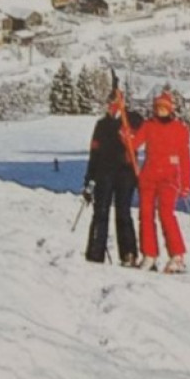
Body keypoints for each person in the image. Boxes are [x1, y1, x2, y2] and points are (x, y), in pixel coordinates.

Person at [131, 90, 190, 273]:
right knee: (145, 215)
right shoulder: (148, 126)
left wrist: (186, 183)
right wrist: (127, 137)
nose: (161, 111)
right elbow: (134, 144)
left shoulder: (180, 129)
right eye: (158, 107)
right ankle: (149, 255)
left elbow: (185, 158)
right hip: (148, 177)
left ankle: (177, 256)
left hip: (169, 178)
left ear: (170, 109)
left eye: (164, 108)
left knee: (166, 214)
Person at [81, 91, 139, 266]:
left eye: (115, 102)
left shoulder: (130, 120)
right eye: (109, 102)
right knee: (100, 213)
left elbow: (141, 125)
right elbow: (94, 153)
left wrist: (125, 116)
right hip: (104, 174)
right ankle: (95, 253)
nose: (111, 106)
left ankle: (128, 253)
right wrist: (89, 180)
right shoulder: (101, 125)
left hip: (125, 174)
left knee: (123, 213)